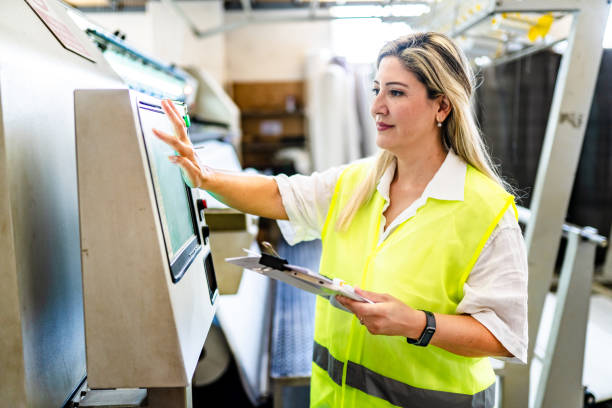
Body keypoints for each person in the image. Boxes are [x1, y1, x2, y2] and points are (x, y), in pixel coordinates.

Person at [153, 32, 528, 408]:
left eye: (395, 93)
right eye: (376, 89)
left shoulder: (485, 210)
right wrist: (204, 177)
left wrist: (416, 323)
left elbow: (502, 336)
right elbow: (275, 194)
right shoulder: (356, 183)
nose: (376, 107)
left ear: (441, 107)